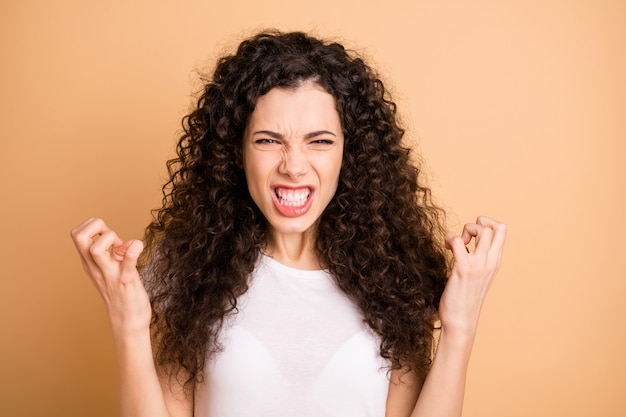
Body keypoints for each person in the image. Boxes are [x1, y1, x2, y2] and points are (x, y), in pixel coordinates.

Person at [70, 30, 506, 417]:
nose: (294, 166)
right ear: (236, 153)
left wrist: (459, 325)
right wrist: (128, 324)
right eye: (268, 140)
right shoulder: (187, 271)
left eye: (319, 141)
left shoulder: (394, 281)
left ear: (348, 154)